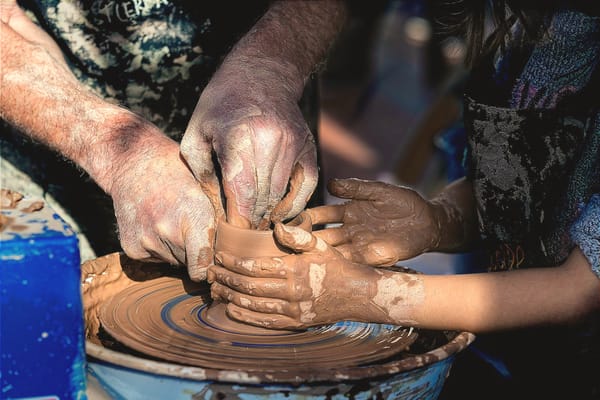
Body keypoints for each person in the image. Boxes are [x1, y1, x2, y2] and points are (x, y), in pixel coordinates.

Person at [208, 2, 600, 398]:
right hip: (514, 343)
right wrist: (439, 220)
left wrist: (363, 294)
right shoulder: (544, 25)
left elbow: (579, 290)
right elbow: (526, 185)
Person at [0, 0, 347, 281]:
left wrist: (270, 67)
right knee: (47, 305)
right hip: (56, 104)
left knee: (289, 277)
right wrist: (114, 150)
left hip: (257, 106)